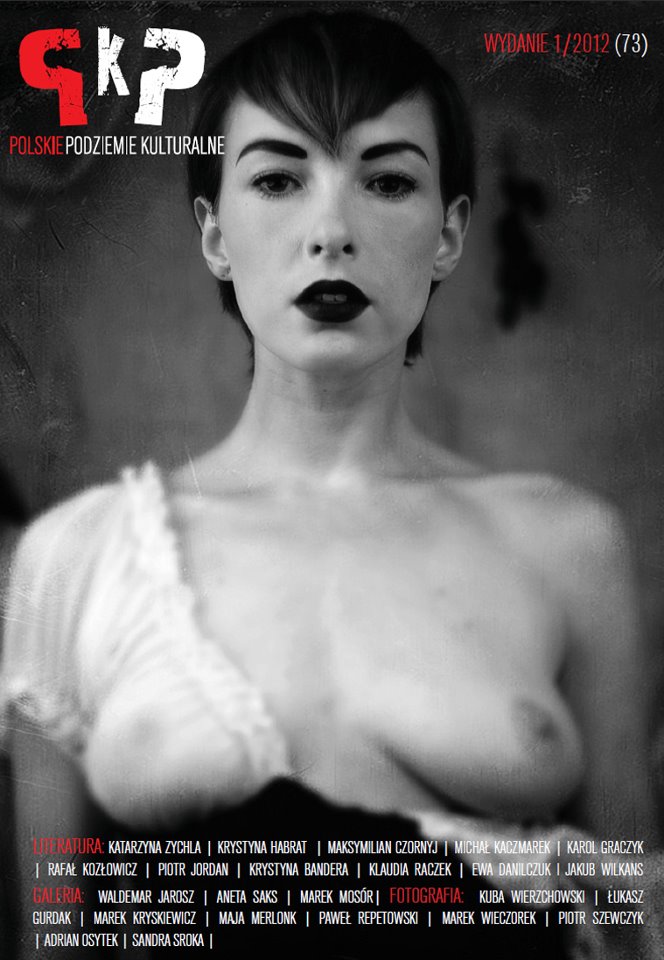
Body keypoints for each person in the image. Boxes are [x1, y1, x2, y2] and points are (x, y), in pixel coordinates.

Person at [1, 9, 660, 959]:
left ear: (448, 234)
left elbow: (639, 926)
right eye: (278, 180)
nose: (332, 232)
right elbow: (52, 941)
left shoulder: (568, 543)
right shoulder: (78, 557)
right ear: (215, 234)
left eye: (387, 181)